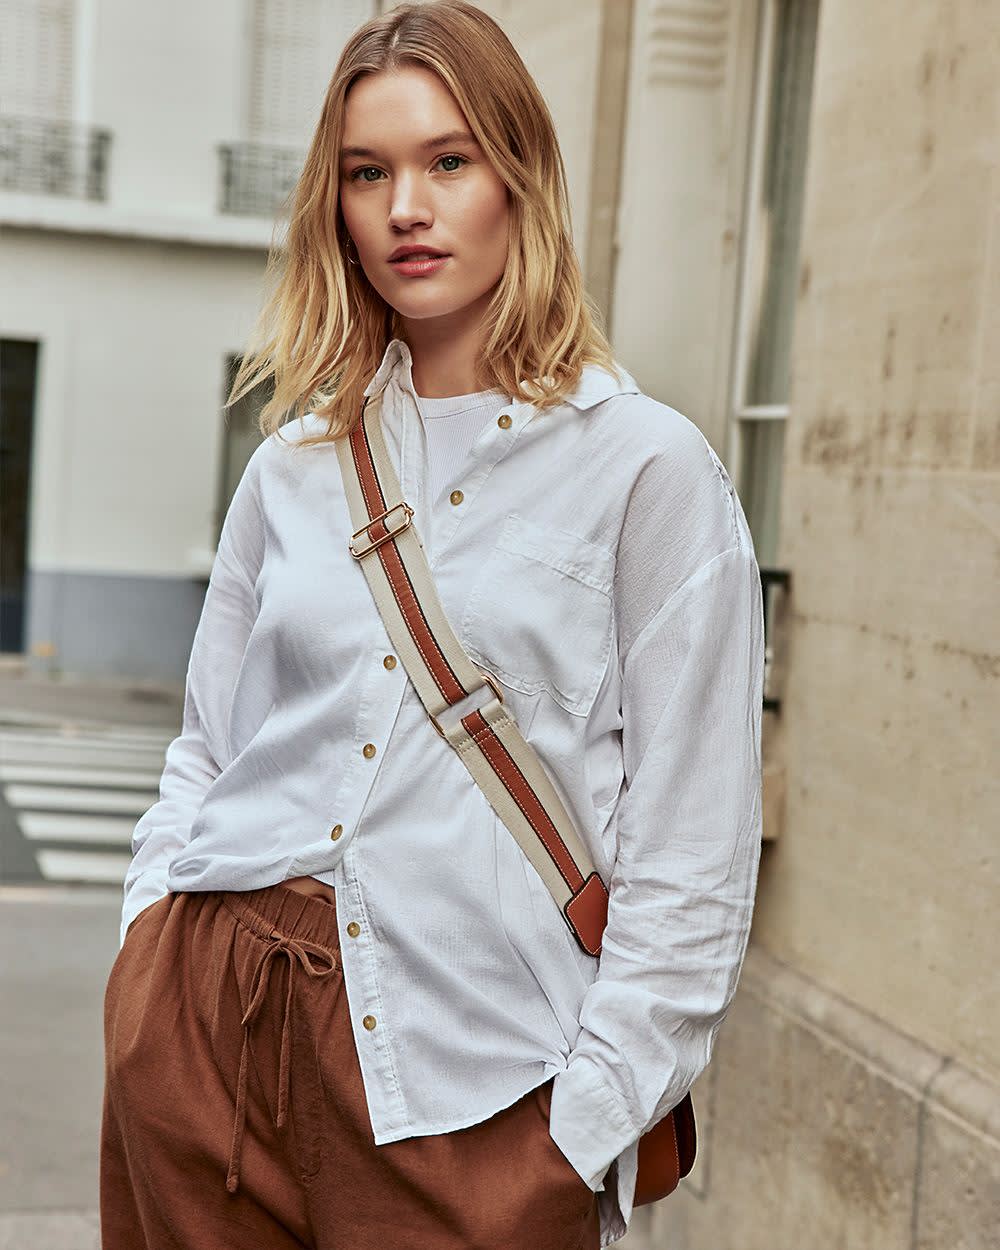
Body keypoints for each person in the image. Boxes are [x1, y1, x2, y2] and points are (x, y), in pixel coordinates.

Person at [100, 3, 765, 1248]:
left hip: (475, 1101)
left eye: (447, 160)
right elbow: (206, 746)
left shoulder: (647, 470)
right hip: (203, 1034)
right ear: (336, 205)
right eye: (369, 171)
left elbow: (693, 860)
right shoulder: (292, 467)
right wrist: (143, 966)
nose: (406, 205)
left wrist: (575, 1141)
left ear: (519, 178)